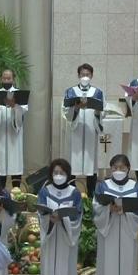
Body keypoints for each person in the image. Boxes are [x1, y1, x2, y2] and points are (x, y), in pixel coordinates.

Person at [93, 154, 138, 275]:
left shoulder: (135, 186)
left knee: (126, 265)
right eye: (115, 167)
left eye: (122, 167)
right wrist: (108, 209)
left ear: (128, 168)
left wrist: (126, 209)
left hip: (128, 229)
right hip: (109, 229)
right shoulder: (103, 186)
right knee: (109, 264)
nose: (118, 170)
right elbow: (96, 207)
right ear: (111, 169)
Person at [38, 158, 83, 275]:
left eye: (62, 172)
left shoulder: (74, 193)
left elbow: (77, 215)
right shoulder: (45, 191)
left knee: (66, 268)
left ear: (68, 174)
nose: (58, 175)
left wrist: (63, 219)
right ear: (51, 174)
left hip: (65, 238)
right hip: (50, 238)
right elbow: (40, 213)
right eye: (55, 172)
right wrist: (48, 219)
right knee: (50, 268)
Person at [62, 63, 104, 198]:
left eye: (87, 74)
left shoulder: (98, 93)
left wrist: (97, 111)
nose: (85, 77)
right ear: (78, 75)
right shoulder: (70, 92)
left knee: (91, 165)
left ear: (92, 75)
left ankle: (91, 195)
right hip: (76, 132)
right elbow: (66, 112)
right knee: (73, 162)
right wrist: (76, 108)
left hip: (91, 131)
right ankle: (72, 194)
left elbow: (102, 111)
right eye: (82, 74)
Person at [0, 69, 28, 189]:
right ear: (1, 79)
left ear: (13, 79)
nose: (7, 80)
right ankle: (0, 191)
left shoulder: (19, 94)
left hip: (15, 135)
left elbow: (24, 109)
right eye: (4, 78)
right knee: (0, 164)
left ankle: (16, 190)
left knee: (15, 162)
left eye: (9, 78)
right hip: (1, 134)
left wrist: (15, 106)